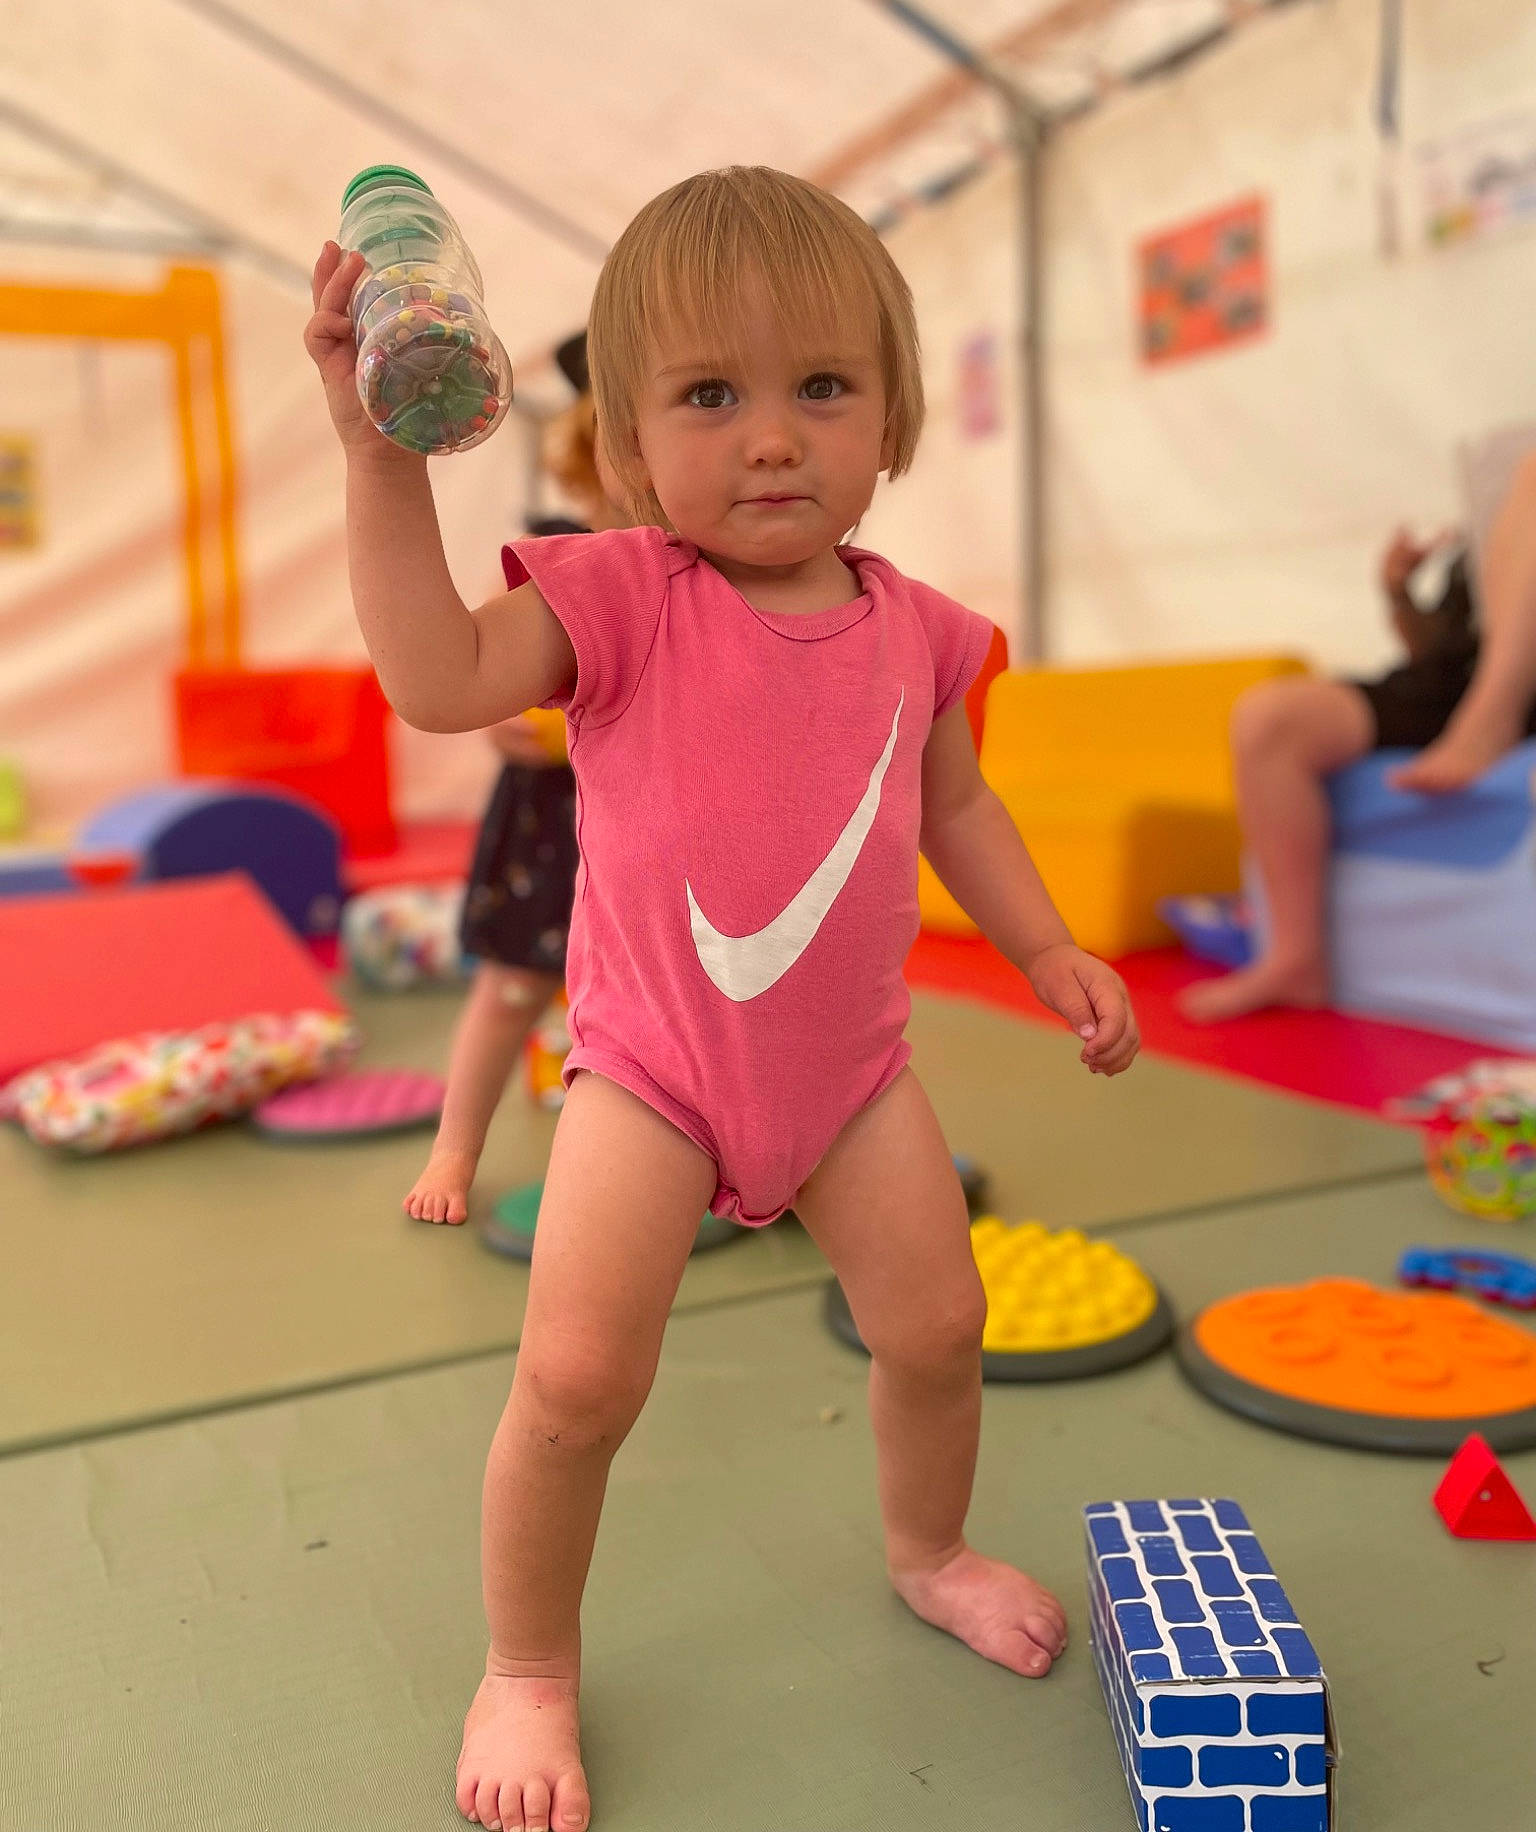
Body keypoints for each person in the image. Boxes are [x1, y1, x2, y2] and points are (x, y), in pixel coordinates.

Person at [305, 165, 1139, 1832]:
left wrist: (1046, 946)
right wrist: (379, 460)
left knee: (941, 1327)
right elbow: (435, 679)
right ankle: (529, 1660)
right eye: (711, 395)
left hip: (850, 1080)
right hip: (650, 1078)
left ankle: (929, 1549)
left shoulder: (921, 630)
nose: (773, 437)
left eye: (821, 387)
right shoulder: (624, 595)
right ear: (623, 440)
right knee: (574, 1383)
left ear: (893, 414)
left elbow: (957, 805)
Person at [1179, 426, 1536, 1024]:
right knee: (1269, 718)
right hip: (1457, 683)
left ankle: (1491, 720)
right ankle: (1294, 960)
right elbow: (1437, 655)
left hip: (1507, 693)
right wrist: (1399, 595)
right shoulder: (1493, 542)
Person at [405, 339, 625, 1226]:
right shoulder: (561, 562)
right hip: (553, 825)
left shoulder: (713, 576)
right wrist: (519, 730)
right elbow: (487, 695)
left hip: (649, 832)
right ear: (584, 462)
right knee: (509, 992)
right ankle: (455, 1150)